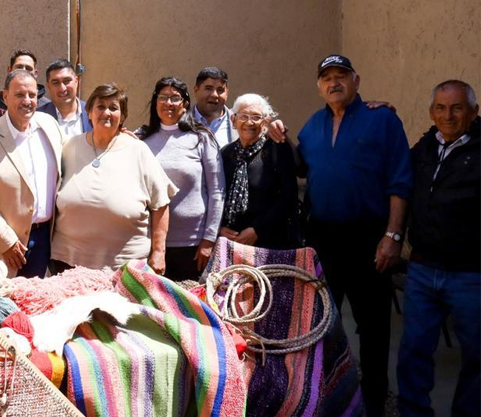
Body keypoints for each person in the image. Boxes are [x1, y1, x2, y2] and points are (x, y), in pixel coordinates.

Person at [295, 54, 412, 417]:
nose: (334, 82)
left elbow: (400, 180)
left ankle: (374, 404)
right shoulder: (310, 127)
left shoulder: (382, 120)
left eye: (341, 75)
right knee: (320, 326)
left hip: (369, 239)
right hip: (323, 239)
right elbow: (300, 169)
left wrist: (393, 235)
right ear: (319, 86)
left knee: (373, 328)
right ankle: (325, 399)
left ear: (356, 81)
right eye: (327, 77)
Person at [397, 80, 480, 417]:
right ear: (432, 112)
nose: (448, 115)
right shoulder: (425, 148)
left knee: (476, 356)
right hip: (422, 268)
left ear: (473, 111)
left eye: (457, 108)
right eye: (441, 108)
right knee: (413, 350)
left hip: (470, 273)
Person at [51, 84, 176, 273]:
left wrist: (159, 252)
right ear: (89, 112)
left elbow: (160, 204)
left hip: (125, 266)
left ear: (123, 116)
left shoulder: (138, 150)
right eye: (100, 106)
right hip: (68, 261)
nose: (106, 113)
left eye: (113, 108)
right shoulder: (69, 147)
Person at [0, 69, 65, 277]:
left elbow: (73, 154)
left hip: (44, 240)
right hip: (2, 247)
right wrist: (6, 241)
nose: (27, 101)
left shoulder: (49, 126)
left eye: (32, 95)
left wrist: (117, 135)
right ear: (5, 97)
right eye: (20, 95)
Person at [139, 77, 224, 281]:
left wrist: (209, 239)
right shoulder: (141, 139)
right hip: (151, 242)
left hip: (193, 244)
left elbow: (217, 191)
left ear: (185, 104)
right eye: (163, 97)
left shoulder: (201, 138)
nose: (168, 103)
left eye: (175, 98)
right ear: (155, 102)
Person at [217, 94, 300, 250]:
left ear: (265, 122)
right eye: (243, 116)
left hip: (269, 241)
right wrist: (219, 228)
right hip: (231, 241)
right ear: (233, 120)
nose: (249, 122)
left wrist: (257, 229)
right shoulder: (226, 153)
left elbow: (288, 196)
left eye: (256, 117)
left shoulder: (277, 149)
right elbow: (215, 194)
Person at [37, 59, 92, 137]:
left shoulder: (93, 112)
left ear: (76, 81)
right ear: (48, 86)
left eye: (66, 81)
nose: (62, 89)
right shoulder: (37, 117)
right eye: (55, 83)